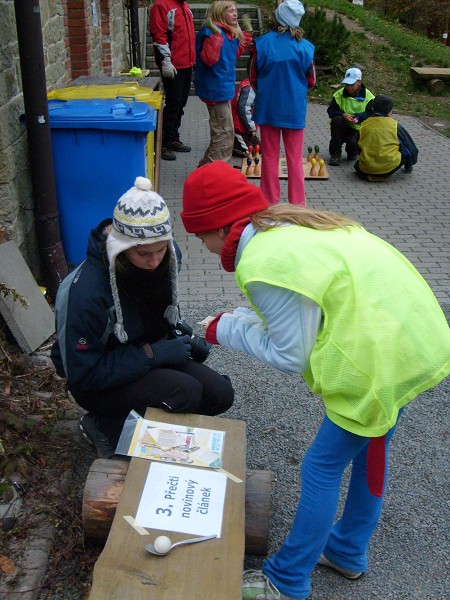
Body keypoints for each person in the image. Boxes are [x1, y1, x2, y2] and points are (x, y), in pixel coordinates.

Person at [180, 161, 450, 600]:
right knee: (373, 443)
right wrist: (238, 319)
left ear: (215, 228)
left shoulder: (261, 260)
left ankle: (287, 579)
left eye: (200, 237)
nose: (205, 248)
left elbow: (290, 353)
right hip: (411, 335)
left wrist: (223, 328)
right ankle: (346, 550)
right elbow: (298, 313)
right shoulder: (289, 228)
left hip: (377, 357)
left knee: (321, 467)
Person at [51, 177, 234, 459]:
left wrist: (182, 337)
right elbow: (83, 374)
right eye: (144, 253)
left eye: (161, 249)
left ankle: (154, 433)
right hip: (97, 382)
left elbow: (152, 317)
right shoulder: (88, 294)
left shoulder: (167, 258)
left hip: (139, 359)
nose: (154, 261)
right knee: (184, 393)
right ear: (121, 249)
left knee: (219, 393)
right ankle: (105, 424)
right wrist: (152, 354)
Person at [249, 0, 315, 206]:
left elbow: (253, 77)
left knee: (269, 157)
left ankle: (269, 201)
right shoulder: (305, 47)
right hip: (294, 110)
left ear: (278, 18)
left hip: (268, 108)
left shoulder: (262, 44)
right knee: (295, 159)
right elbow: (311, 80)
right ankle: (298, 203)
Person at [195, 1, 253, 166]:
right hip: (215, 89)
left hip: (222, 87)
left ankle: (207, 169)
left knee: (224, 132)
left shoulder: (227, 33)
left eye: (236, 11)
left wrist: (246, 36)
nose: (235, 14)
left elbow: (232, 54)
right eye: (231, 11)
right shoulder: (214, 32)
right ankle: (214, 171)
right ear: (220, 13)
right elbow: (209, 59)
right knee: (224, 134)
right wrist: (215, 37)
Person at [149, 0, 196, 161]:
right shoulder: (161, 5)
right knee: (173, 104)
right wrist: (165, 61)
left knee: (180, 103)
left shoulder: (184, 6)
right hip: (174, 64)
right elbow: (159, 35)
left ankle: (173, 137)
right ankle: (164, 144)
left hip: (186, 63)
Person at [354, 94, 418, 181]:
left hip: (366, 168)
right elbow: (410, 149)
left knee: (356, 165)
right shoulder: (395, 126)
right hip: (388, 168)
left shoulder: (364, 125)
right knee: (403, 148)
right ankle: (384, 173)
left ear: (373, 109)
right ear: (390, 111)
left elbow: (357, 145)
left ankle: (370, 173)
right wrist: (409, 165)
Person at [327, 66, 375, 166]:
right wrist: (342, 114)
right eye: (346, 84)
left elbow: (371, 114)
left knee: (352, 144)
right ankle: (335, 154)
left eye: (351, 84)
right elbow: (331, 111)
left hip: (359, 128)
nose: (348, 87)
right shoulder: (338, 94)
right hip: (342, 125)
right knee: (337, 120)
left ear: (359, 83)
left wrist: (359, 117)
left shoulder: (369, 97)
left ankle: (353, 152)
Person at [231, 77, 260, 158]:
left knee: (259, 148)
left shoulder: (255, 84)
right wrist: (252, 129)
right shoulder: (249, 87)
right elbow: (244, 110)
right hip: (238, 127)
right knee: (249, 151)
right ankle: (232, 144)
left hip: (245, 128)